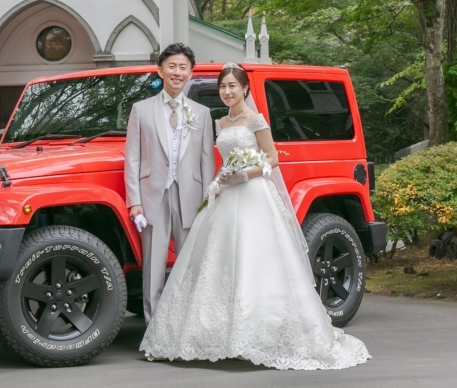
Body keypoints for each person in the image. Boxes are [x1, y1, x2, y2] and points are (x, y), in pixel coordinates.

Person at [139, 63, 370, 370]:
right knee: (218, 261)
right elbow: (219, 160)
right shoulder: (220, 123)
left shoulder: (255, 119)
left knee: (255, 258)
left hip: (253, 194)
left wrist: (246, 173)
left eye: (233, 86)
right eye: (223, 87)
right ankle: (220, 333)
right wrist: (221, 180)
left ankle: (262, 332)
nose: (227, 91)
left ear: (245, 88)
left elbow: (272, 157)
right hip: (225, 194)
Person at [125, 43, 216, 323]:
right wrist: (135, 202)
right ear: (161, 70)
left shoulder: (201, 113)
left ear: (191, 73)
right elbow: (133, 159)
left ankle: (188, 325)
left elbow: (206, 162)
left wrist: (207, 202)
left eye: (183, 67)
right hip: (153, 196)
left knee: (191, 262)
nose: (177, 72)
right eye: (172, 66)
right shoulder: (141, 110)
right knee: (153, 265)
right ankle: (154, 328)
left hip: (190, 196)